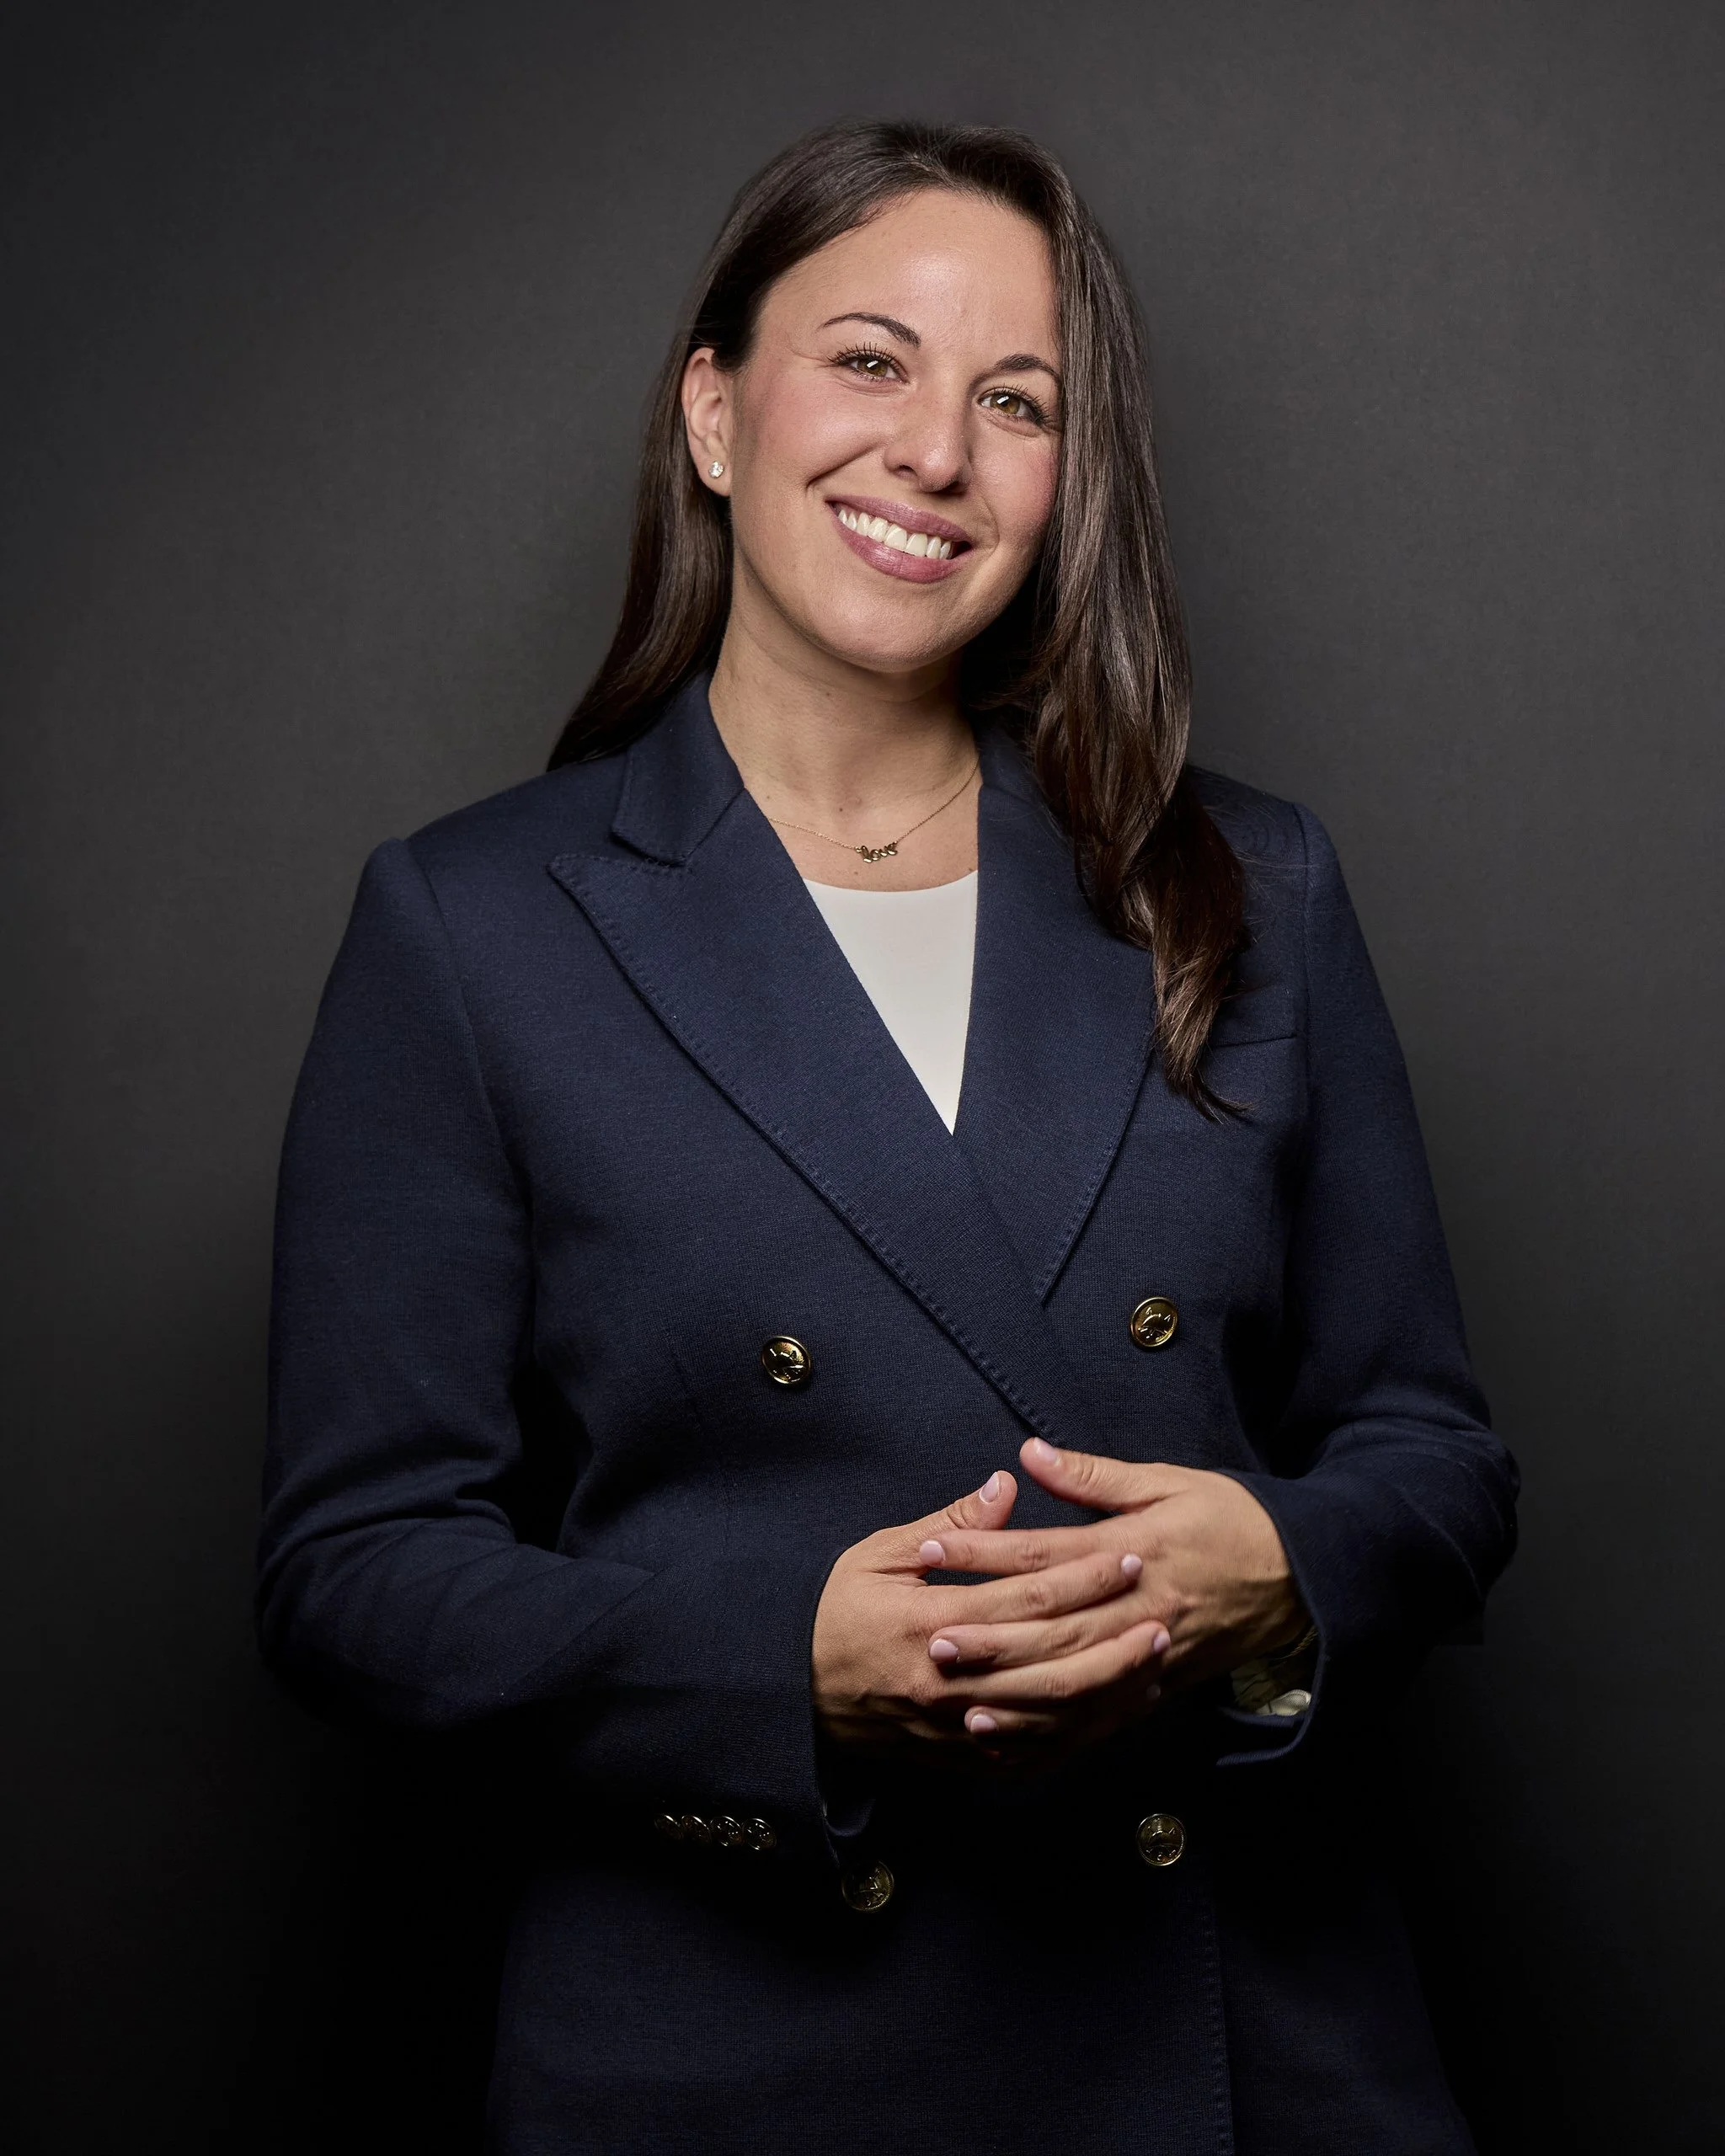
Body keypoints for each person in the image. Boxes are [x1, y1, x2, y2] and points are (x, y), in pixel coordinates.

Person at [259, 119, 1519, 2154]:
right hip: (733, 2050)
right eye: (869, 359)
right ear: (714, 414)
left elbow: (1434, 1457)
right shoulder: (474, 924)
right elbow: (354, 1569)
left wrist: (1270, 1572)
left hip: (1239, 2043)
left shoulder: (1247, 882)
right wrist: (784, 1664)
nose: (934, 449)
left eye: (1014, 399)